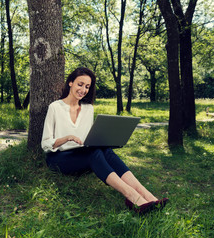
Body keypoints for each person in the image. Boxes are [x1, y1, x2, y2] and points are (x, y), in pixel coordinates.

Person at [41, 67, 168, 214]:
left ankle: (148, 196)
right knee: (94, 154)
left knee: (105, 150)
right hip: (58, 158)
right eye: (80, 84)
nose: (83, 90)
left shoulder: (88, 109)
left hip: (82, 154)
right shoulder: (55, 107)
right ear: (70, 83)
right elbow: (45, 144)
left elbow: (89, 138)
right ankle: (133, 197)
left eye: (87, 86)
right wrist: (67, 138)